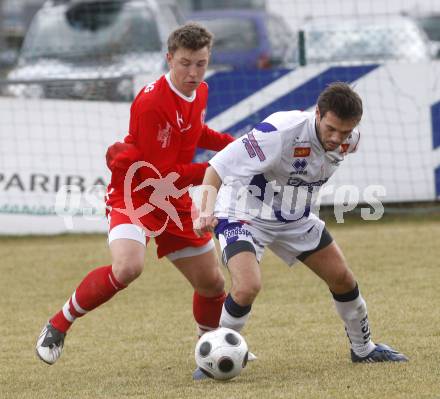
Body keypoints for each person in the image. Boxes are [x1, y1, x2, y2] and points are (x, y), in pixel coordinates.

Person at [36, 23, 236, 372]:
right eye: (185, 63)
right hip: (136, 190)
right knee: (128, 268)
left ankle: (210, 350)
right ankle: (59, 323)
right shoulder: (151, 103)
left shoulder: (200, 91)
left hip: (171, 197)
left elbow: (194, 132)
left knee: (212, 282)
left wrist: (231, 145)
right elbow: (160, 174)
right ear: (169, 58)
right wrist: (216, 167)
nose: (193, 72)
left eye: (201, 63)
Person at [194, 82, 408, 367]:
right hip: (243, 212)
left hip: (294, 217)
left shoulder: (350, 140)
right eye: (330, 128)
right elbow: (216, 168)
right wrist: (205, 211)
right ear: (317, 113)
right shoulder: (279, 133)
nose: (336, 138)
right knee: (247, 286)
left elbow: (338, 144)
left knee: (342, 278)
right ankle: (214, 358)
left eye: (344, 131)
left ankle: (364, 348)